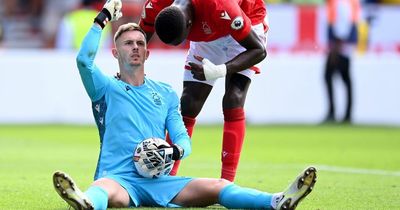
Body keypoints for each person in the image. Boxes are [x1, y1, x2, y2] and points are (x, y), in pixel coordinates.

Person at [52, 1, 317, 209]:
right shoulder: (105, 87)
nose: (134, 47)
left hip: (161, 181)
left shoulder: (166, 93)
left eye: (139, 43)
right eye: (127, 44)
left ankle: (277, 201)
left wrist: (172, 152)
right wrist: (102, 19)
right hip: (120, 179)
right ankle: (86, 202)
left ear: (148, 52)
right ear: (115, 52)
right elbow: (84, 61)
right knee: (105, 190)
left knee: (218, 187)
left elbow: (183, 141)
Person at [139, 0, 268, 182]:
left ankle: (226, 183)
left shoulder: (222, 6)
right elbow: (139, 37)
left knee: (233, 99)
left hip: (245, 23)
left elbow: (259, 50)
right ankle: (167, 178)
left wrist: (220, 70)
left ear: (189, 24)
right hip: (208, 36)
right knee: (188, 104)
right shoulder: (156, 4)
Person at [323, 0, 360, 123]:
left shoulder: (339, 2)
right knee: (345, 79)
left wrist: (336, 47)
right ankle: (346, 114)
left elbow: (342, 24)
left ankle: (334, 113)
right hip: (344, 44)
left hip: (340, 45)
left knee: (330, 76)